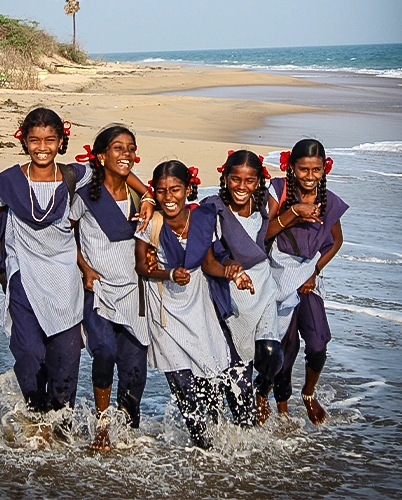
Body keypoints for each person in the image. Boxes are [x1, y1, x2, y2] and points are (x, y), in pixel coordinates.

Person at [0, 109, 153, 417]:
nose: (42, 147)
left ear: (61, 142)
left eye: (50, 140)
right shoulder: (12, 182)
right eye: (34, 140)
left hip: (65, 279)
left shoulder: (75, 175)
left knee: (67, 358)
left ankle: (58, 426)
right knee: (29, 352)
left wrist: (147, 195)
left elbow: (114, 169)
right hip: (25, 275)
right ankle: (35, 412)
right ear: (25, 142)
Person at [135, 160, 248, 449]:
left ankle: (222, 451)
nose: (168, 197)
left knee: (213, 378)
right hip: (165, 310)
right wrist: (169, 273)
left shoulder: (201, 220)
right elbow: (142, 267)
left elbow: (209, 262)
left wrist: (233, 275)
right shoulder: (151, 223)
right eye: (160, 191)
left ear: (188, 189)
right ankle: (203, 448)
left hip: (199, 305)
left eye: (175, 189)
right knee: (183, 386)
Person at [70, 125, 151, 451]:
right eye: (118, 148)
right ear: (101, 156)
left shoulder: (140, 197)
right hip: (99, 290)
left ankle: (128, 434)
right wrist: (85, 268)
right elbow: (64, 234)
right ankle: (102, 426)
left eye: (131, 148)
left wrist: (148, 198)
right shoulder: (85, 195)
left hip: (134, 291)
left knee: (135, 372)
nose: (127, 154)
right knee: (103, 353)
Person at [266, 138, 348, 425]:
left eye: (316, 170)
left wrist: (314, 272)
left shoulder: (328, 201)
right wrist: (294, 212)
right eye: (304, 170)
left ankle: (309, 393)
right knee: (284, 347)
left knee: (316, 343)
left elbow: (336, 241)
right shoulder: (278, 191)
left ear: (324, 169)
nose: (310, 177)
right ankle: (282, 409)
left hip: (308, 279)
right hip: (278, 277)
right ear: (292, 168)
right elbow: (264, 233)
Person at [199, 150, 284, 426]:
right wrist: (230, 269)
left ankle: (264, 392)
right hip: (230, 294)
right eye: (236, 179)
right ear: (224, 178)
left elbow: (296, 185)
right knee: (235, 369)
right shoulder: (213, 209)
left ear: (259, 181)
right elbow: (206, 256)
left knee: (271, 354)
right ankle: (234, 436)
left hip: (263, 288)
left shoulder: (264, 207)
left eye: (250, 181)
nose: (242, 187)